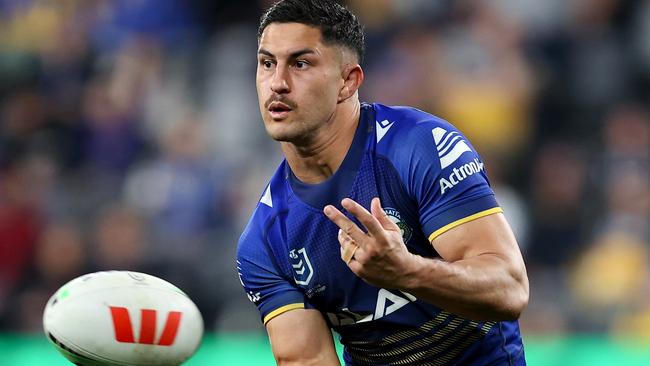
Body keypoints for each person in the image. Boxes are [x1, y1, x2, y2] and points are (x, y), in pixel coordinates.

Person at [236, 1, 529, 365]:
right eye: (267, 63)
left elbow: (510, 289)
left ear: (348, 81)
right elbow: (307, 359)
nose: (277, 83)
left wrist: (408, 271)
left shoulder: (420, 147)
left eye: (300, 63)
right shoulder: (264, 242)